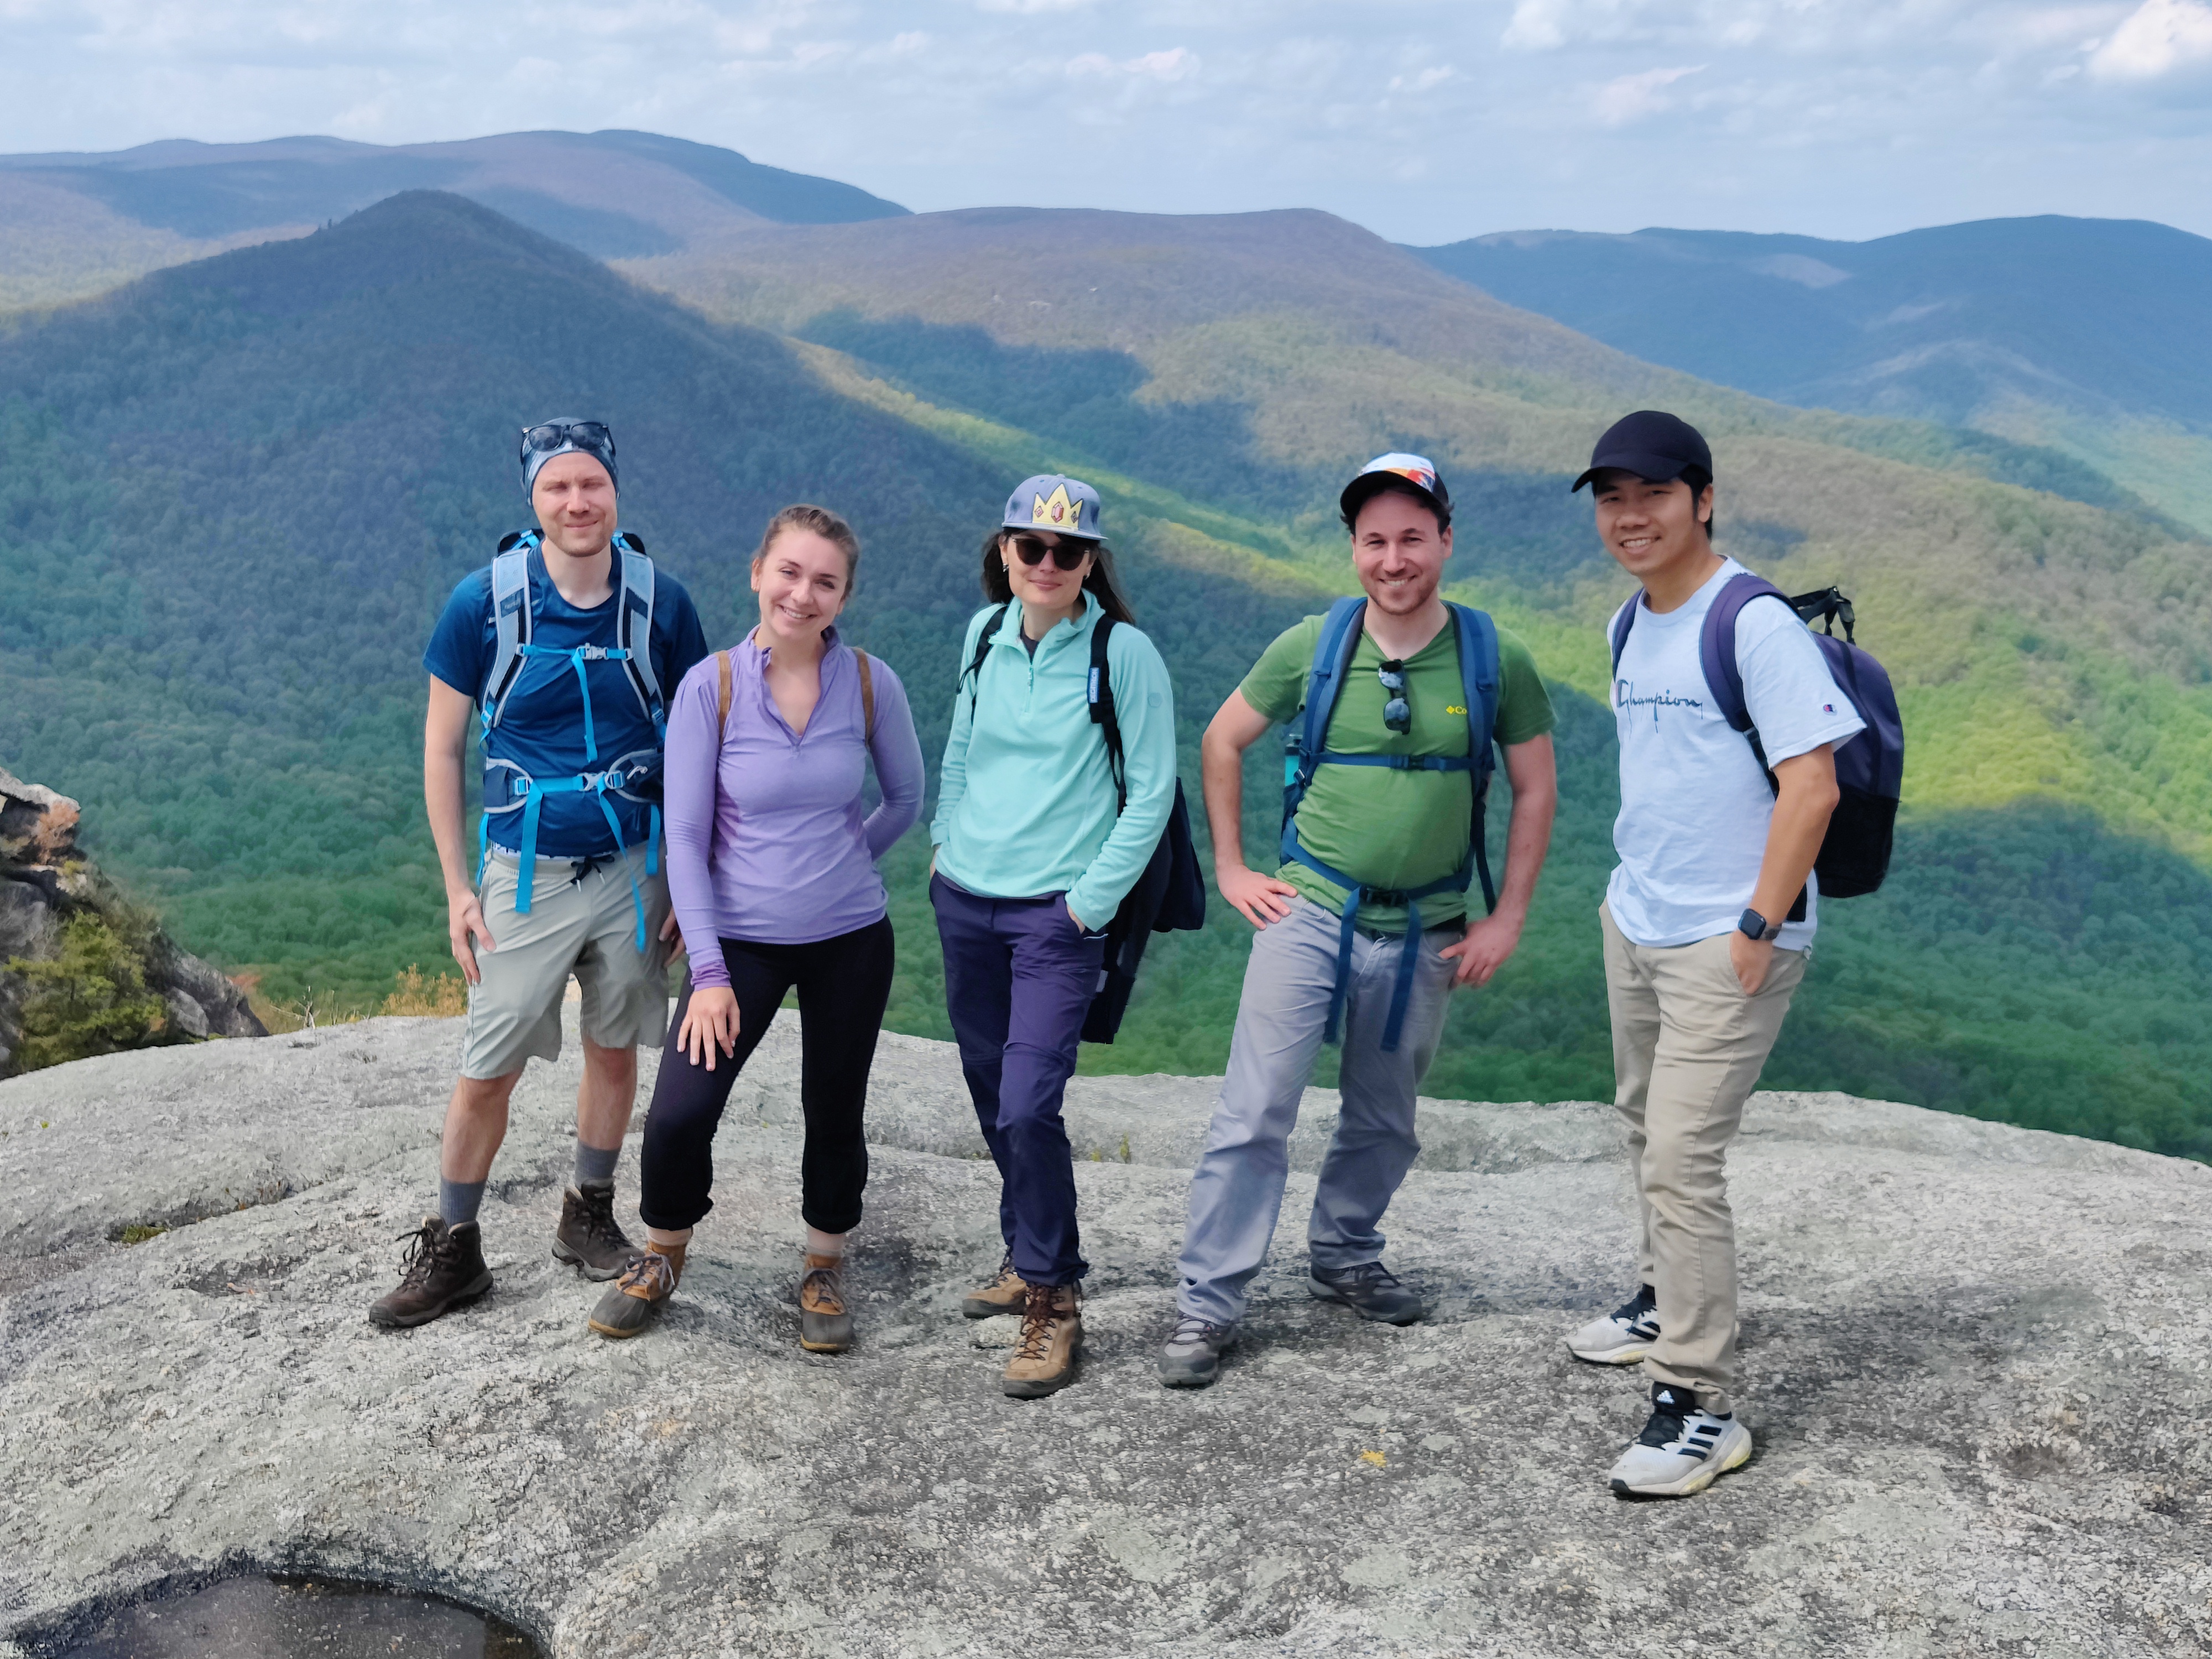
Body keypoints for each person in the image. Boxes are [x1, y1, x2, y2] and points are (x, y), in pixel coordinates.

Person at [1158, 453, 1558, 1389]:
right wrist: (1232, 868)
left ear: (1446, 541)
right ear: (1353, 549)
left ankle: (1344, 1254)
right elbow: (1223, 740)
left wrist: (1508, 918)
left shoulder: (1497, 658)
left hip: (1429, 924)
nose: (1393, 558)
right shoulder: (1313, 644)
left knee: (1385, 1118)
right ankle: (1207, 1305)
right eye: (1375, 540)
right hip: (1314, 908)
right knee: (1255, 1109)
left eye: (1412, 538)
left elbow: (1536, 791)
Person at [1562, 410, 1862, 1498]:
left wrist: (1752, 927)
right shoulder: (1625, 625)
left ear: (1700, 498)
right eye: (1609, 497)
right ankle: (1660, 1297)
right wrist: (1627, 903)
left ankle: (1697, 1403)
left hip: (1726, 937)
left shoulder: (1751, 626)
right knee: (1644, 1126)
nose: (1627, 516)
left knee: (1682, 1161)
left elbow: (1812, 784)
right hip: (1636, 916)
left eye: (1648, 494)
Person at [371, 418, 707, 1329]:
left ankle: (587, 1215)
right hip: (525, 868)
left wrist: (689, 880)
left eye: (591, 484)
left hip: (637, 865)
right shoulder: (481, 604)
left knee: (613, 1044)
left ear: (614, 492)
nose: (577, 501)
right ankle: (455, 1247)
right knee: (489, 1064)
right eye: (558, 487)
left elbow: (706, 744)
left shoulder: (661, 603)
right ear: (533, 498)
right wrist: (456, 886)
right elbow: (442, 749)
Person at [587, 505, 923, 1349]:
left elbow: (907, 799)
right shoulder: (715, 686)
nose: (803, 595)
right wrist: (708, 972)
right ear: (758, 573)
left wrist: (848, 856)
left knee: (835, 1109)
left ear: (843, 596)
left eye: (824, 582)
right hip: (739, 940)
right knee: (680, 1112)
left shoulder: (873, 684)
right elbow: (688, 838)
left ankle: (822, 1262)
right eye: (790, 573)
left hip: (851, 937)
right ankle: (664, 1249)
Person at [932, 475, 1177, 1398]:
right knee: (994, 1091)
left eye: (1065, 552)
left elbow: (1151, 790)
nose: (1045, 563)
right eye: (1029, 546)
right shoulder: (984, 635)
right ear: (1004, 551)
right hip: (968, 897)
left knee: (1030, 1101)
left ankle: (1054, 1299)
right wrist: (945, 843)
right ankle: (1028, 1250)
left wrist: (1088, 904)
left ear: (1090, 563)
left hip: (1054, 918)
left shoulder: (1124, 655)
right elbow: (961, 744)